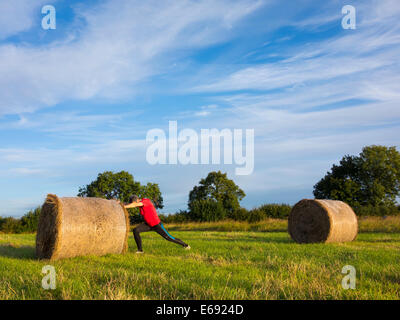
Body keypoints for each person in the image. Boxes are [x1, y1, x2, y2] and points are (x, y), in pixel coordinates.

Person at [121, 195, 190, 253]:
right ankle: (140, 250)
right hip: (148, 225)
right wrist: (120, 204)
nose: (134, 205)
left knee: (169, 238)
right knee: (136, 230)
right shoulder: (138, 203)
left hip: (156, 225)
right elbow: (130, 204)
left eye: (134, 203)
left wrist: (123, 207)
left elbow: (134, 204)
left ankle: (185, 245)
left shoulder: (146, 201)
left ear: (137, 200)